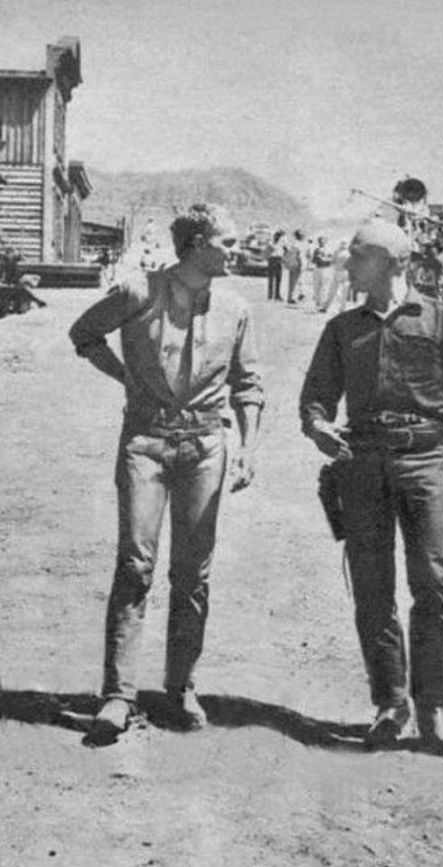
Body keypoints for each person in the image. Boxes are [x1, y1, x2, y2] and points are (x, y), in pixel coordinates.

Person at [299, 219, 443, 755]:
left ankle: (433, 705)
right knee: (371, 587)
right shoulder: (343, 329)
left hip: (426, 461)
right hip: (362, 462)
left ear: (395, 262)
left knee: (433, 582)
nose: (348, 264)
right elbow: (316, 398)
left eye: (358, 255)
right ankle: (390, 704)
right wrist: (319, 427)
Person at [69, 203, 264, 743]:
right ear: (198, 244)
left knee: (192, 571)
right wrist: (127, 378)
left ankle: (180, 686)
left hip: (205, 446)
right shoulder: (138, 292)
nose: (237, 249)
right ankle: (118, 695)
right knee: (135, 563)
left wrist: (247, 446)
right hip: (145, 443)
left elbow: (249, 385)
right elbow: (83, 333)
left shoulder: (236, 309)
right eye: (228, 240)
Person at [311, 236, 333, 311]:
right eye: (320, 241)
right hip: (318, 269)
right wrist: (317, 258)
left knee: (325, 287)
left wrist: (324, 259)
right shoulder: (316, 250)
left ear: (325, 242)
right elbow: (313, 261)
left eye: (322, 241)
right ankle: (318, 303)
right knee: (317, 286)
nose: (321, 243)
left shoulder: (329, 250)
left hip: (325, 269)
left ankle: (323, 303)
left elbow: (331, 260)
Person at [284, 229, 306, 305]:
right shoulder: (298, 244)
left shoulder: (294, 244)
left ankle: (295, 296)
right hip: (297, 265)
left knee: (295, 281)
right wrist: (302, 265)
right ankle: (292, 297)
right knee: (295, 282)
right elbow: (299, 256)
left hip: (295, 265)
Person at [266, 229, 286, 301]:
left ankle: (270, 295)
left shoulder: (270, 242)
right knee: (278, 278)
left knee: (271, 278)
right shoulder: (282, 241)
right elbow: (286, 248)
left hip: (272, 259)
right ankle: (277, 295)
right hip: (277, 259)